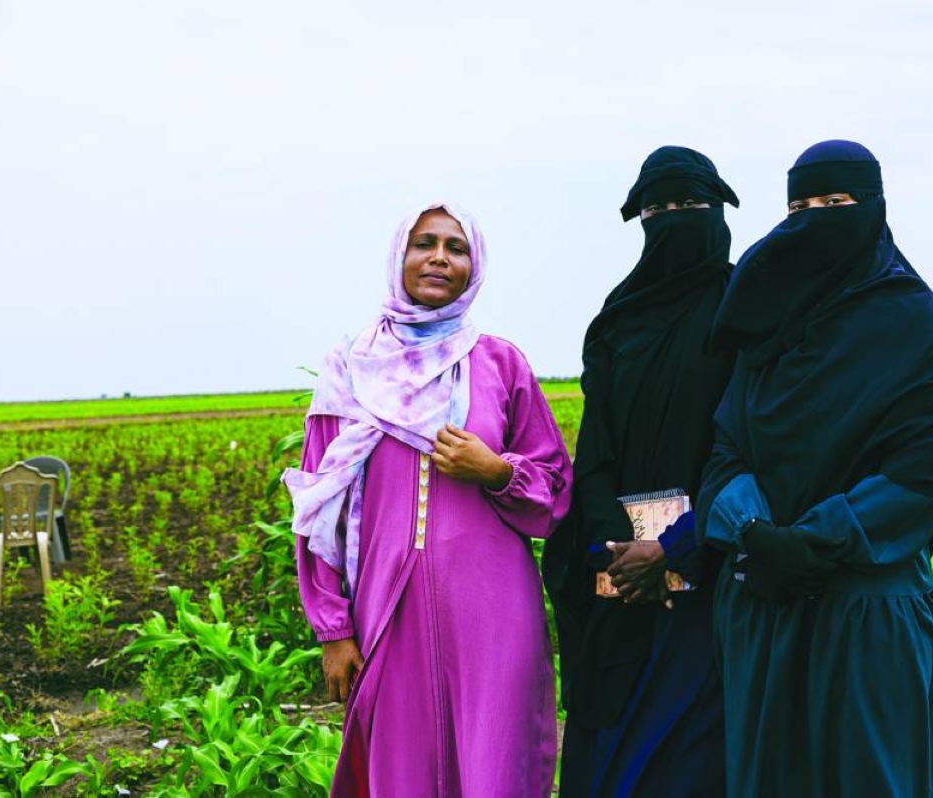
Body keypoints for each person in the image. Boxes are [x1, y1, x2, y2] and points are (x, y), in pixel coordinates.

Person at [697, 140, 933, 797]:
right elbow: (726, 445)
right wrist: (755, 530)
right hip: (766, 598)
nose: (814, 219)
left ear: (873, 208)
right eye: (800, 205)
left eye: (835, 203)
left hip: (864, 604)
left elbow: (917, 480)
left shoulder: (918, 326)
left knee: (871, 775)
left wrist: (812, 542)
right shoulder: (767, 325)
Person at [284, 201, 573, 797]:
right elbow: (318, 508)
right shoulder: (351, 368)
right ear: (399, 256)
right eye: (424, 244)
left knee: (494, 756)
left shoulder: (499, 363)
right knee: (400, 765)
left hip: (493, 611)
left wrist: (495, 470)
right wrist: (332, 630)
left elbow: (555, 490)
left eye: (457, 247)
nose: (440, 258)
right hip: (386, 607)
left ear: (475, 265)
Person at [543, 146, 738, 797]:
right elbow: (594, 450)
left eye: (689, 205)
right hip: (622, 582)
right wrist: (613, 551)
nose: (673, 218)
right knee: (612, 754)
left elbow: (748, 449)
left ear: (719, 209)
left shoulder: (746, 312)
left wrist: (675, 549)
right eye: (658, 207)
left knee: (692, 759)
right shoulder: (619, 322)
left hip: (711, 580)